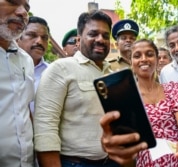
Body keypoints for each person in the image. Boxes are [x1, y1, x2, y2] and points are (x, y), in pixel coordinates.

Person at [34, 10, 120, 167]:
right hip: (73, 163)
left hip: (112, 162)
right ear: (79, 40)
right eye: (93, 34)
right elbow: (45, 129)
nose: (100, 39)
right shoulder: (60, 69)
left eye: (105, 36)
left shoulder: (113, 75)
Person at [99, 39, 178, 167]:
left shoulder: (172, 88)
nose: (144, 59)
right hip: (147, 162)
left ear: (157, 60)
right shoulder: (128, 97)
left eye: (149, 54)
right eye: (137, 56)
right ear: (131, 62)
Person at [0, 0, 35, 166]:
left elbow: (24, 108)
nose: (23, 12)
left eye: (27, 8)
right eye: (13, 2)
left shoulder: (26, 60)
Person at [17, 16, 50, 116]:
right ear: (18, 38)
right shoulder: (6, 68)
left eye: (44, 38)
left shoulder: (53, 72)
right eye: (32, 35)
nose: (39, 41)